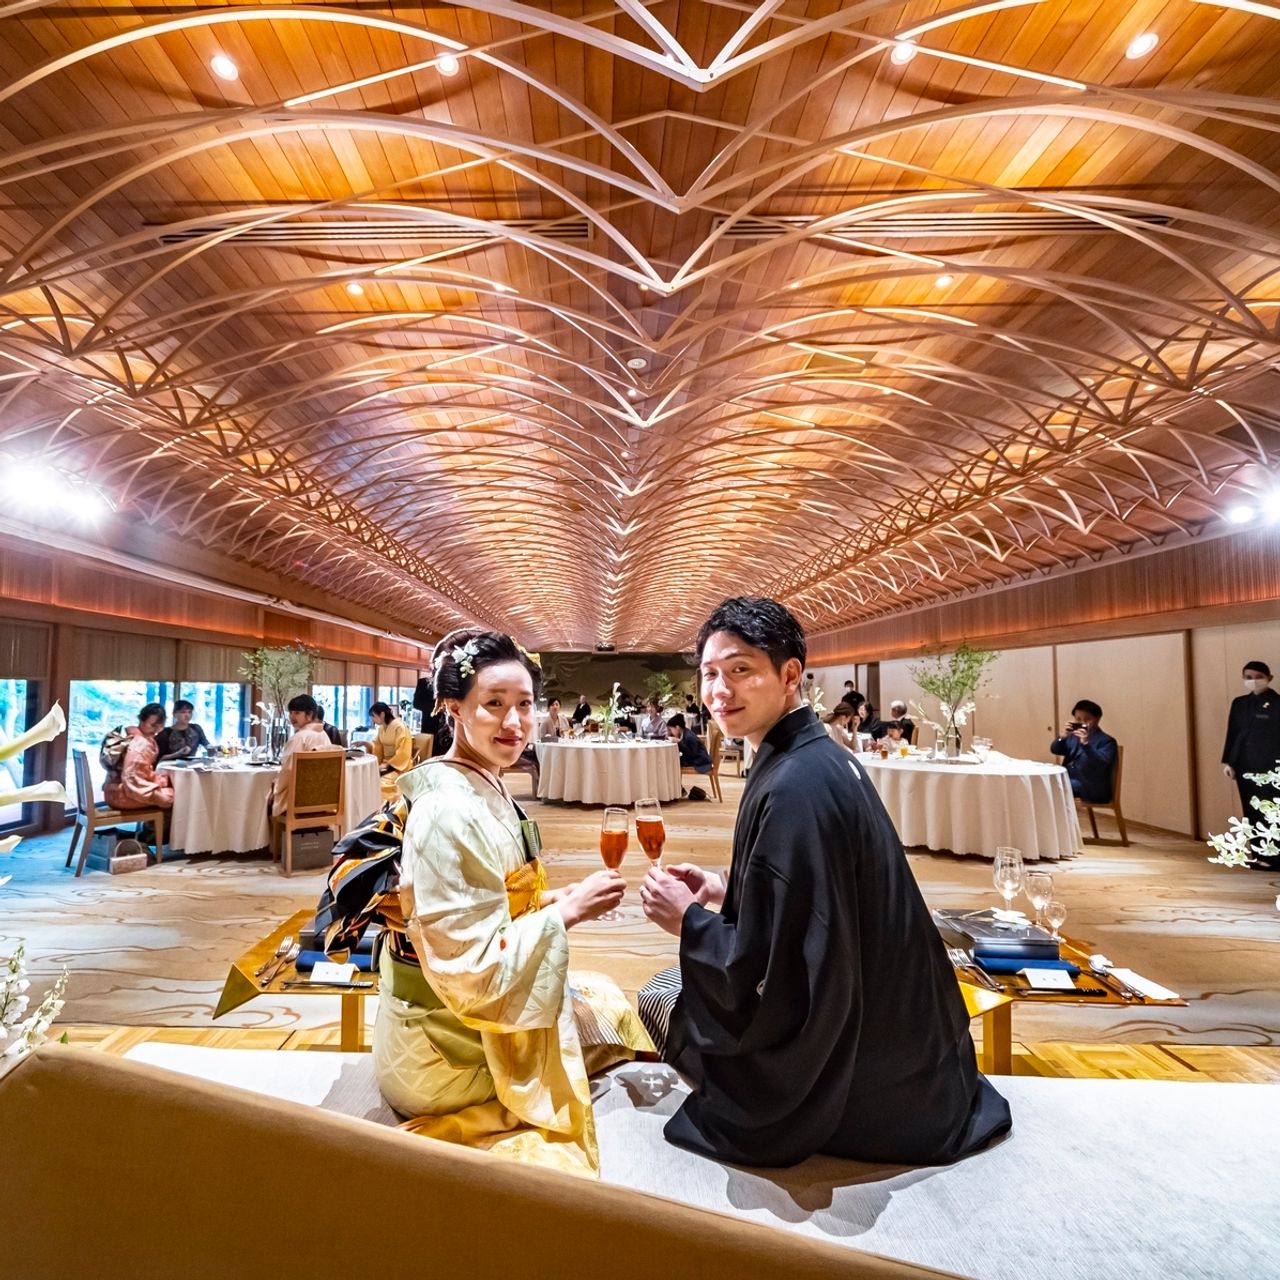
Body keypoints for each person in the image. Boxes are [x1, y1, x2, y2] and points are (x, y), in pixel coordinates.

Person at [637, 596, 1011, 1168]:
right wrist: (723, 889)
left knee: (661, 995)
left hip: (866, 1084)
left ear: (790, 676)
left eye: (740, 669)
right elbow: (817, 901)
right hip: (910, 1048)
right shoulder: (815, 756)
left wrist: (687, 921)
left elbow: (777, 968)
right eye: (709, 674)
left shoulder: (796, 784)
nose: (719, 690)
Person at [372, 629, 651, 1175]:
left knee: (609, 1001)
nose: (515, 722)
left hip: (460, 1024)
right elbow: (470, 969)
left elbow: (496, 900)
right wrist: (567, 911)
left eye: (524, 704)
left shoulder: (484, 782)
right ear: (453, 708)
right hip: (446, 1049)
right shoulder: (447, 810)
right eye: (494, 704)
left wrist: (553, 897)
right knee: (610, 1024)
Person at [1222, 660, 1280, 867]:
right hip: (1245, 763)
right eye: (1248, 677)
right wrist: (1229, 761)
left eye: (1258, 677)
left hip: (1270, 765)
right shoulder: (1240, 703)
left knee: (1270, 809)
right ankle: (1258, 853)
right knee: (1251, 810)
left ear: (1269, 678)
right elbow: (1233, 733)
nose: (1253, 681)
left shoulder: (1277, 703)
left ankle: (1274, 857)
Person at [104, 703, 175, 813]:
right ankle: (157, 824)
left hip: (112, 790)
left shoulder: (129, 735)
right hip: (123, 794)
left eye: (159, 727)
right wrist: (156, 796)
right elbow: (131, 777)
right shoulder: (140, 743)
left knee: (169, 788)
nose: (156, 730)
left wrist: (162, 781)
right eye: (153, 725)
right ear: (142, 720)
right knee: (176, 796)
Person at [270, 694, 332, 818]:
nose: (292, 717)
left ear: (309, 715)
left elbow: (287, 771)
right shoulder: (324, 735)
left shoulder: (299, 738)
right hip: (325, 799)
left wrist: (274, 788)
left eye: (297, 713)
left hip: (298, 801)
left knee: (262, 796)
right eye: (291, 712)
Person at [1050, 700, 1117, 803]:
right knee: (1047, 783)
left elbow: (1101, 764)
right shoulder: (1072, 736)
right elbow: (1055, 750)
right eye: (1078, 719)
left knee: (1054, 786)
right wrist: (1062, 737)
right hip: (1071, 780)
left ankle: (1060, 813)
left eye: (1087, 719)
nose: (1082, 723)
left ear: (1097, 719)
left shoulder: (1107, 741)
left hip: (1092, 786)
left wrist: (1086, 744)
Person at [366, 701, 412, 774]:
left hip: (398, 766)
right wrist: (366, 744)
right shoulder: (381, 728)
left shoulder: (400, 727)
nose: (372, 720)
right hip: (385, 764)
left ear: (382, 714)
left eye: (373, 716)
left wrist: (388, 764)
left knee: (379, 780)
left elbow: (403, 752)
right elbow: (377, 746)